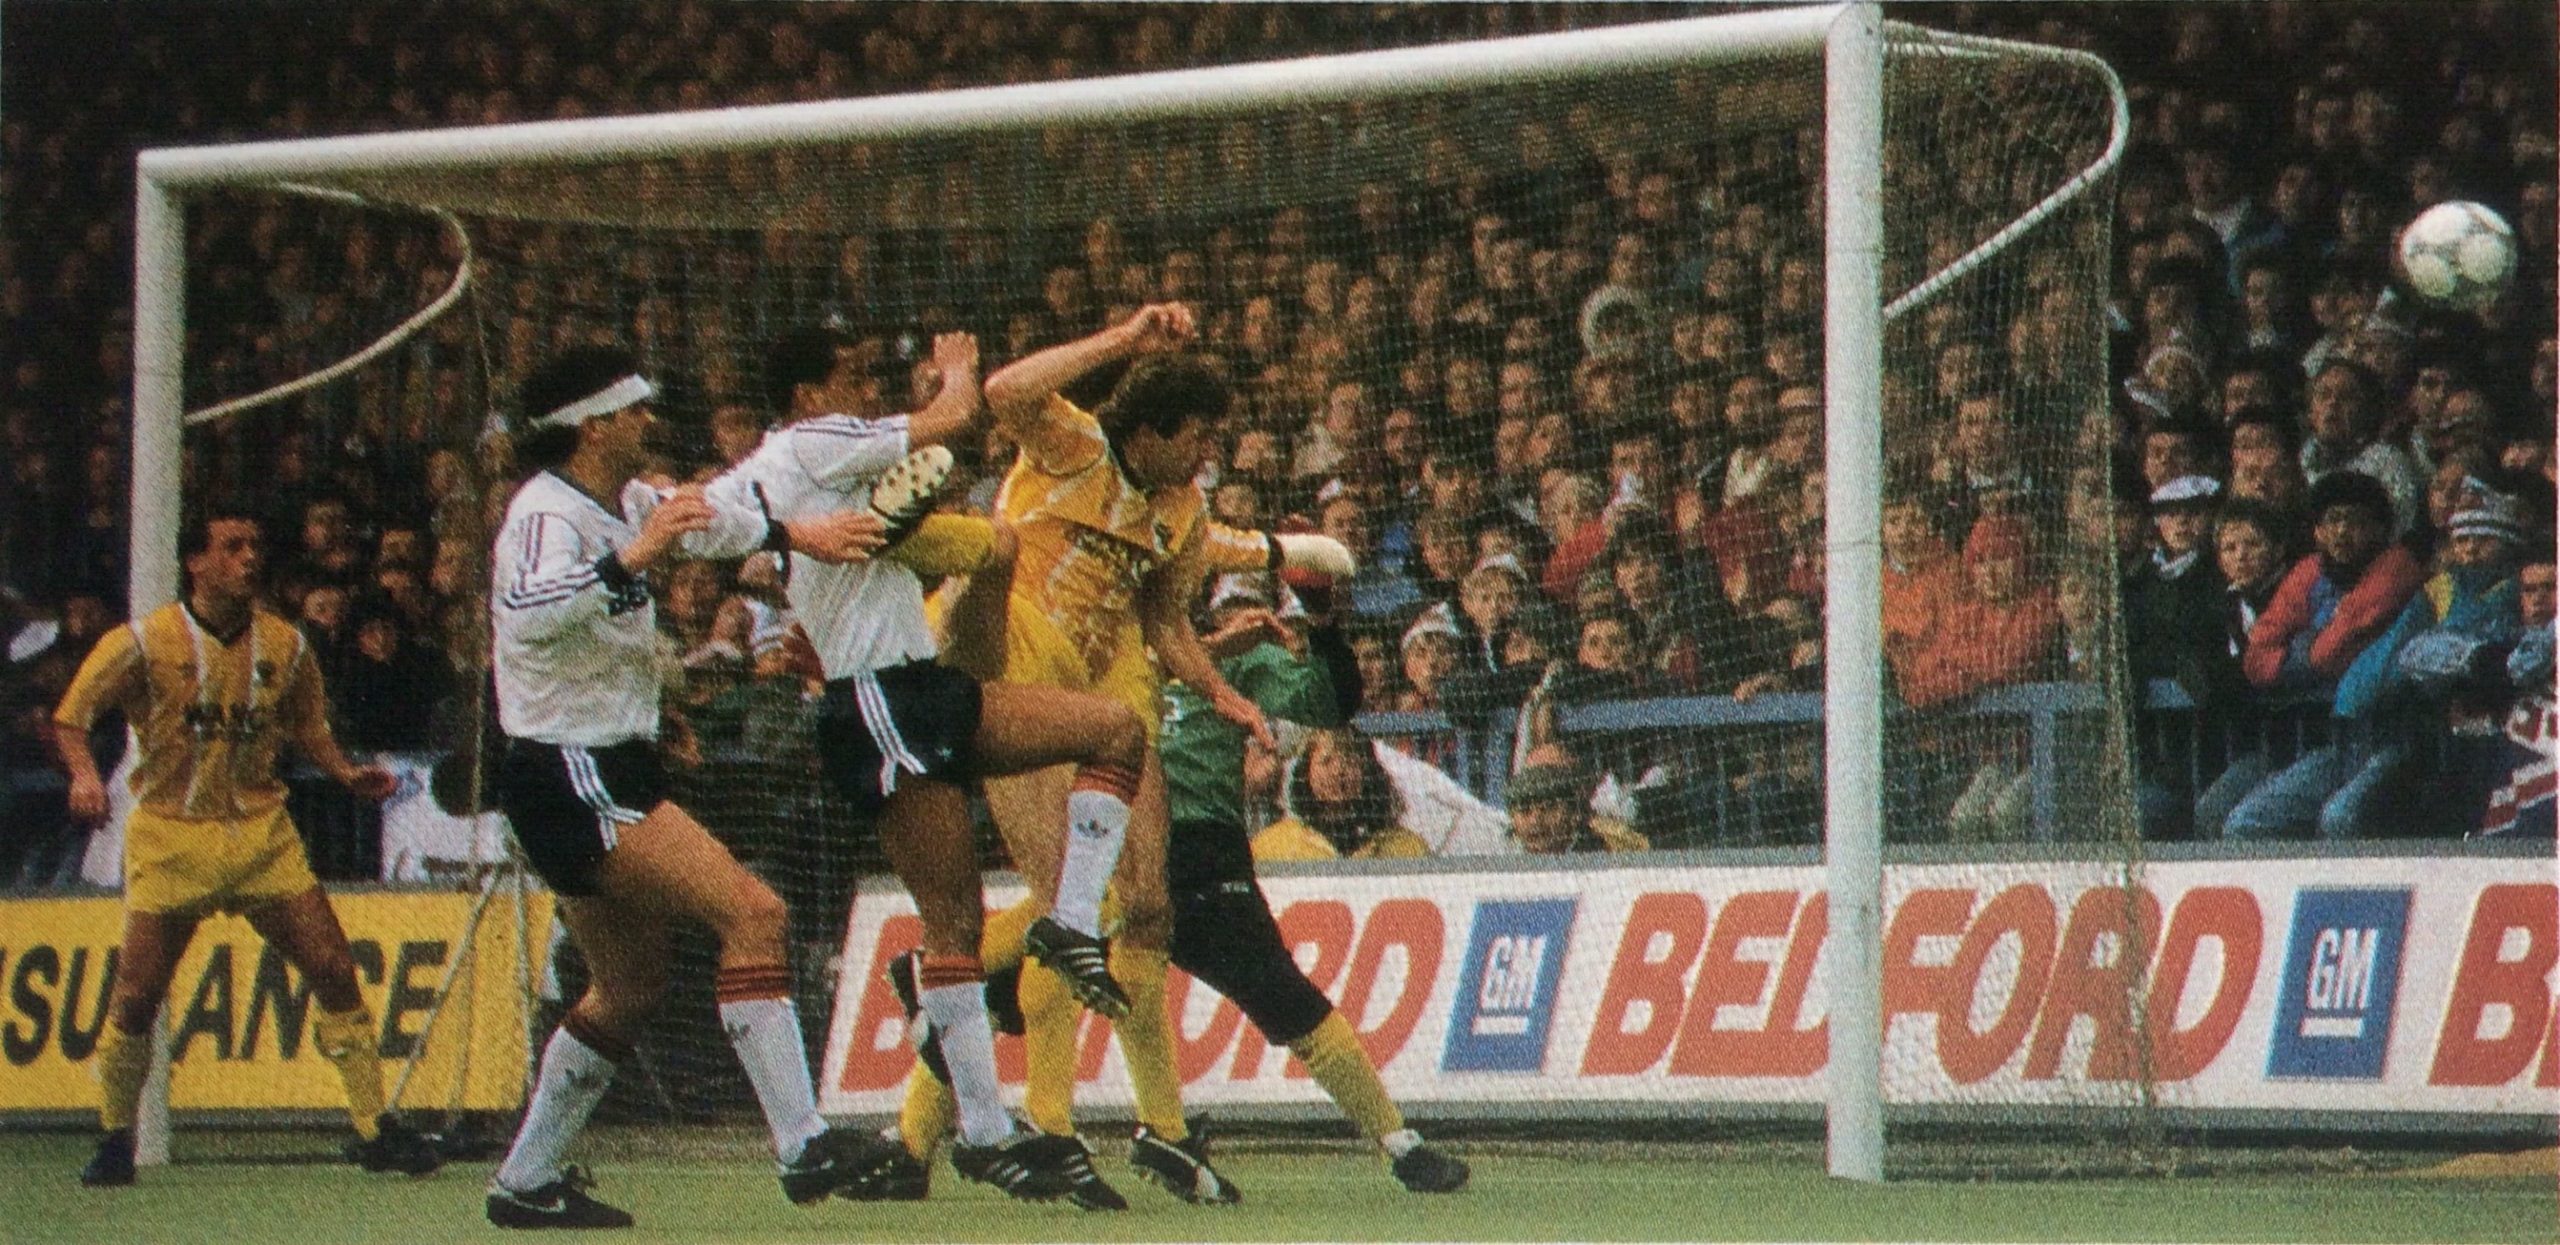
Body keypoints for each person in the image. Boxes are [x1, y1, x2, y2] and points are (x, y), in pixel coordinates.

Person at [875, 302, 1339, 1208]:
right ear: (1151, 428)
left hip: (1091, 707)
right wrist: (1129, 337)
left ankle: (1142, 1131)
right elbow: (1006, 389)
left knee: (1147, 909)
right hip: (999, 673)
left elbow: (1165, 617)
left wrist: (1221, 691)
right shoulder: (1072, 445)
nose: (1208, 455)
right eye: (1197, 436)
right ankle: (1052, 1130)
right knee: (1068, 910)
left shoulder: (1183, 506)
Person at [703, 325, 1178, 1203]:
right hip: (878, 698)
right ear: (807, 391)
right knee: (954, 922)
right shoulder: (820, 438)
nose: (862, 383)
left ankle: (1068, 927)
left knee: (1113, 730)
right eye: (846, 372)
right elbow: (960, 415)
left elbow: (706, 518)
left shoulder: (777, 462)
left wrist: (765, 533)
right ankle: (988, 1132)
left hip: (919, 686)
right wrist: (955, 367)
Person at [482, 344, 915, 1228]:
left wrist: (798, 532)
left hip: (606, 757)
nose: (650, 419)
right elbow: (527, 616)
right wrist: (633, 557)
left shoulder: (631, 498)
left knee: (631, 986)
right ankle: (802, 1143)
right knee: (754, 913)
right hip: (570, 769)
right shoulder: (544, 513)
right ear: (593, 424)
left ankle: (525, 1180)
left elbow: (716, 524)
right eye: (635, 407)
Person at [872, 570, 1469, 1201]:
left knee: (1022, 980)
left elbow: (1328, 702)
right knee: (1016, 986)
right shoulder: (1117, 651)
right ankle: (933, 1140)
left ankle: (1393, 1143)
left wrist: (1320, 622)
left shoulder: (1231, 662)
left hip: (1178, 849)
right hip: (1142, 842)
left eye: (1250, 605)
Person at [52, 504, 443, 1188]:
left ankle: (374, 1126)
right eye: (232, 546)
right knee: (139, 992)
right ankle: (115, 1136)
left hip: (262, 833)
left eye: (255, 544)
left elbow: (308, 724)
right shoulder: (143, 641)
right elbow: (71, 716)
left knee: (332, 963)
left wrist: (344, 771)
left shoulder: (285, 643)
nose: (249, 557)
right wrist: (85, 773)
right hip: (174, 833)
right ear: (196, 562)